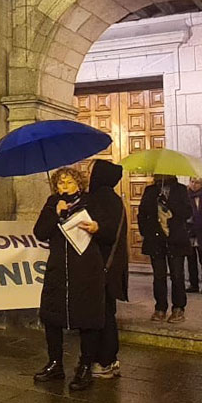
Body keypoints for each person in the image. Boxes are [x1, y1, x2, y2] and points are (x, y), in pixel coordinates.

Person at [33, 166, 111, 392]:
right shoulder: (52, 203)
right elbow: (40, 232)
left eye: (69, 182)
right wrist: (55, 213)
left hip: (86, 269)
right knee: (52, 315)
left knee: (87, 317)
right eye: (61, 183)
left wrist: (97, 227)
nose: (65, 187)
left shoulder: (92, 202)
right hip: (59, 268)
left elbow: (110, 232)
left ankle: (85, 366)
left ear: (78, 184)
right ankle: (55, 363)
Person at [84, 160, 128, 380]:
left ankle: (105, 361)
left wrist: (95, 227)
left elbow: (106, 232)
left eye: (90, 170)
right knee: (106, 312)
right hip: (110, 267)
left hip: (101, 266)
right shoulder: (111, 198)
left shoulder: (100, 198)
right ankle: (109, 359)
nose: (87, 174)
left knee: (102, 315)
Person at [138, 174, 192, 322]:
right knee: (159, 275)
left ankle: (178, 307)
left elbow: (187, 212)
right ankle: (160, 307)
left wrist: (168, 204)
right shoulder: (150, 191)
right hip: (156, 239)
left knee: (177, 275)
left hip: (175, 239)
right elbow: (142, 213)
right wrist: (145, 232)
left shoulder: (180, 190)